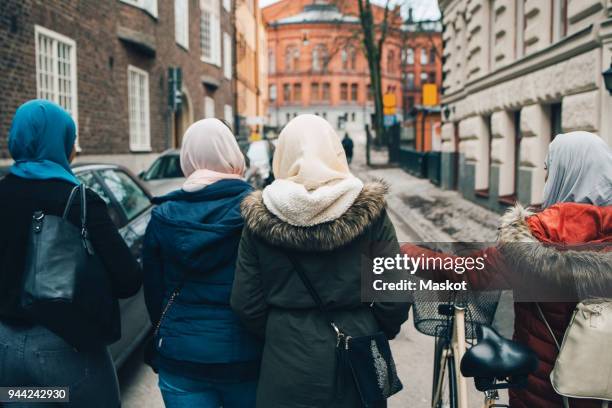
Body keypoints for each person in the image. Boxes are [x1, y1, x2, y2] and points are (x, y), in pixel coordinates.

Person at [401, 131, 612, 408]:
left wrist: (408, 253)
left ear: (563, 173)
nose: (546, 178)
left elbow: (469, 272)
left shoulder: (537, 235)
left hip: (548, 389)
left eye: (548, 169)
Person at [231, 114, 409, 408]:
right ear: (335, 151)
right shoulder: (370, 211)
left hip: (286, 359)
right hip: (357, 355)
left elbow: (245, 302)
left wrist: (279, 331)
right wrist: (373, 329)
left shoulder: (259, 217)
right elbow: (395, 296)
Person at [0, 100, 142, 407]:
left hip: (5, 350)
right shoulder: (81, 201)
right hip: (66, 352)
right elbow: (128, 280)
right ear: (61, 142)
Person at [142, 118, 262, 408]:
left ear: (188, 158)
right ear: (233, 155)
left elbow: (153, 291)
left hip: (181, 355)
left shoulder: (162, 216)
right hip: (243, 354)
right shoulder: (258, 212)